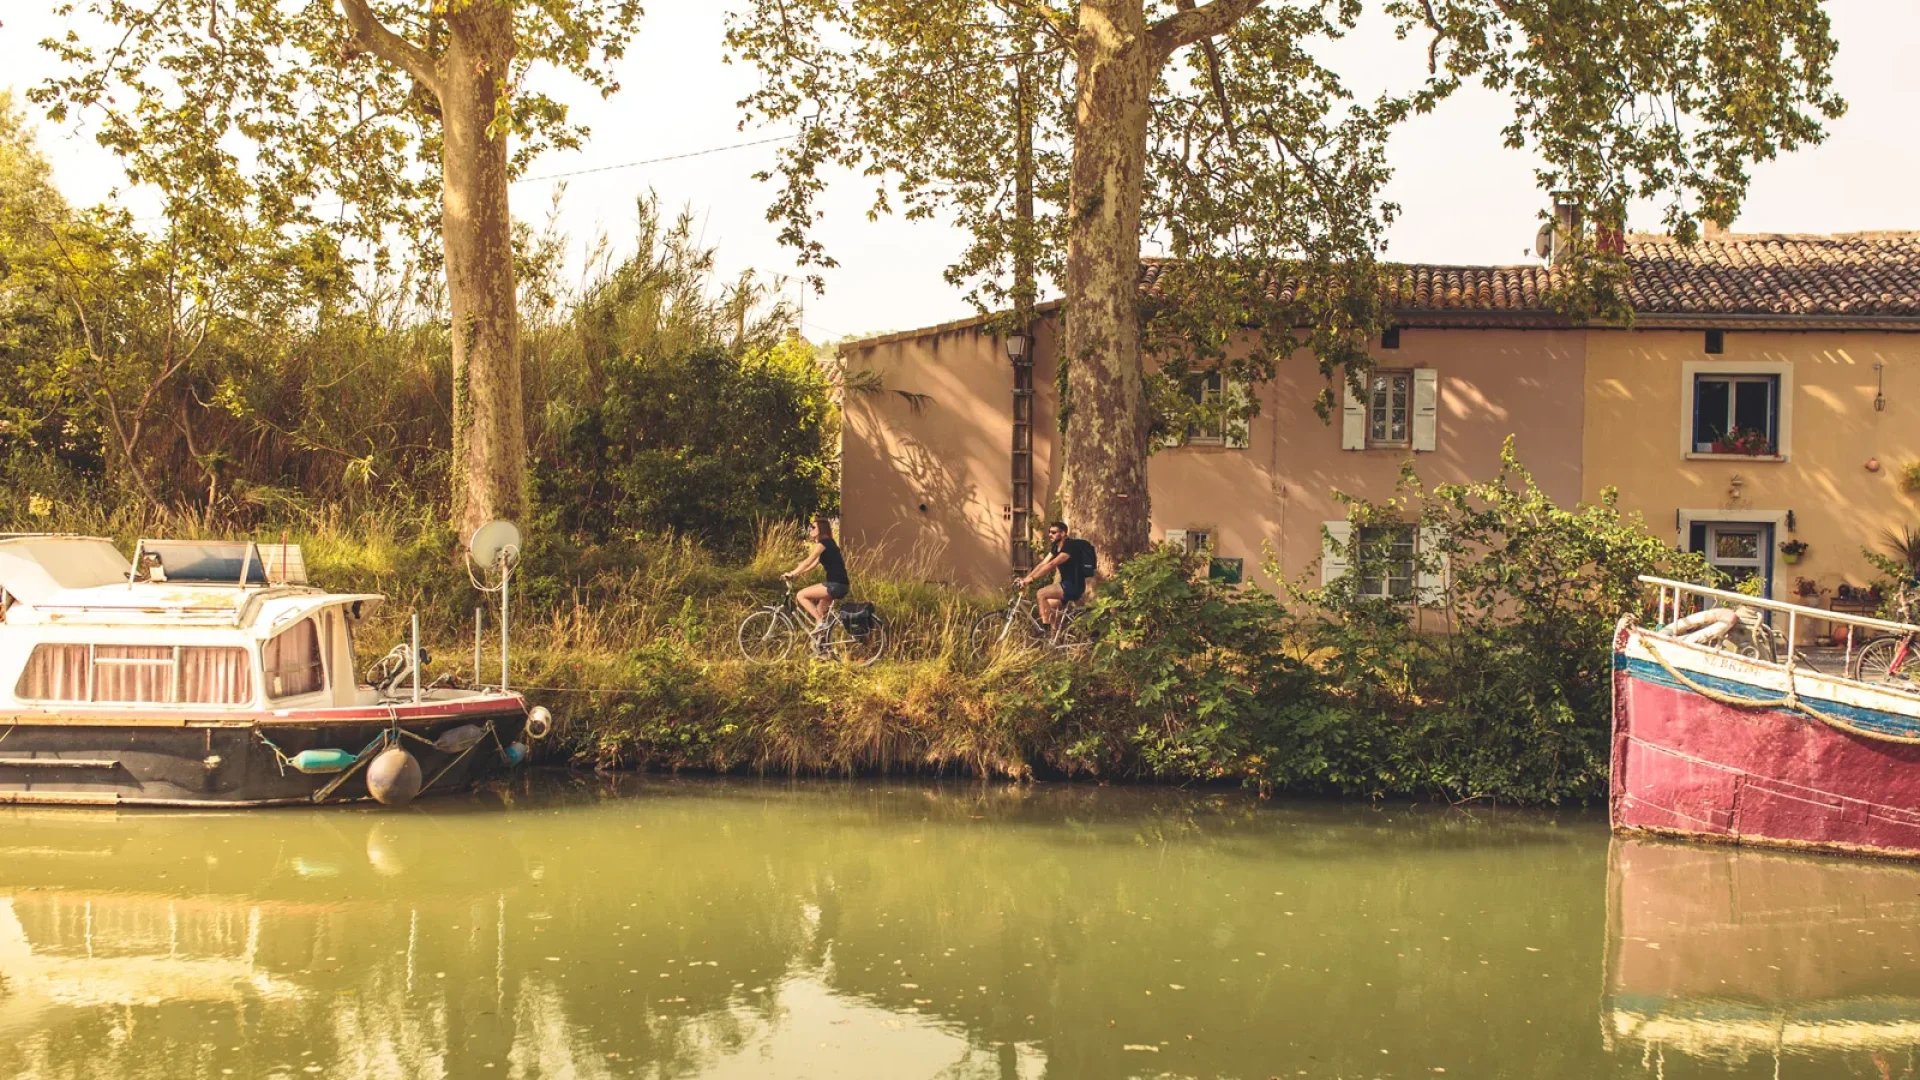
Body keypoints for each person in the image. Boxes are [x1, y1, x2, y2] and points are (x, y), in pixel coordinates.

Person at [782, 517, 850, 644]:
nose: (811, 530)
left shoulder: (822, 544)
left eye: (813, 527)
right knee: (819, 611)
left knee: (801, 595)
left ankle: (820, 622)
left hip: (835, 585)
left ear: (821, 530)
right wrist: (798, 574)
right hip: (840, 585)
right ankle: (822, 648)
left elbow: (808, 560)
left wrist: (792, 574)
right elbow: (812, 564)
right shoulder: (829, 544)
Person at [1018, 521, 1094, 629]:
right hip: (1065, 585)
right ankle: (1054, 640)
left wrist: (1032, 579)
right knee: (1048, 607)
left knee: (1041, 594)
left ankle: (1045, 631)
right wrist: (1026, 579)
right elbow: (1043, 563)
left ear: (1063, 533)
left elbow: (1052, 564)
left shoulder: (1069, 546)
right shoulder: (1056, 547)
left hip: (1074, 586)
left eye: (1053, 532)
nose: (1050, 535)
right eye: (1049, 532)